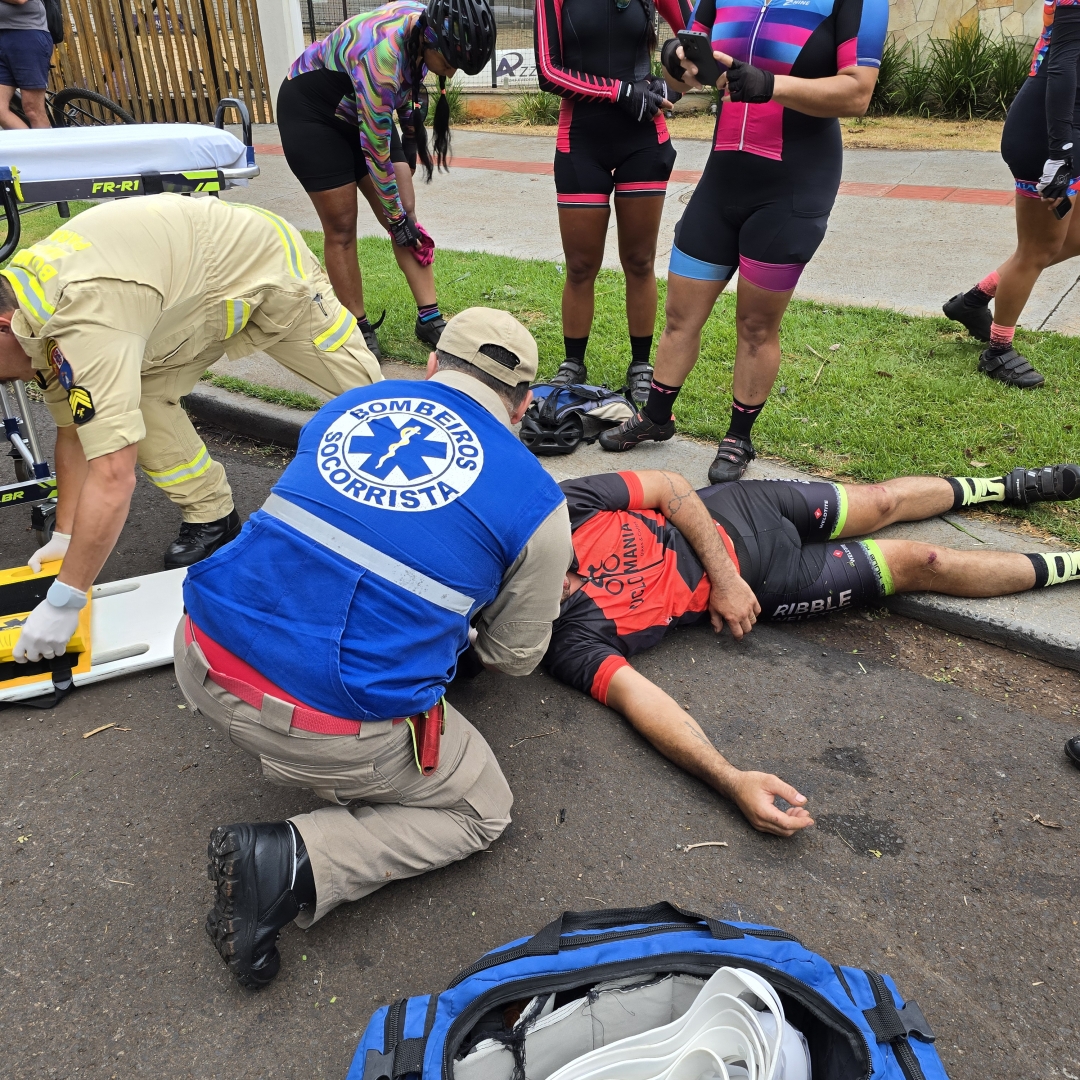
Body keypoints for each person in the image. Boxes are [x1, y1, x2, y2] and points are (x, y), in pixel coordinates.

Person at [175, 308, 573, 988]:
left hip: (198, 653)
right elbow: (513, 657)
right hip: (325, 723)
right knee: (482, 811)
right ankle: (293, 861)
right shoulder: (537, 500)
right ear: (525, 404)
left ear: (432, 367)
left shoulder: (350, 408)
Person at [544, 463, 1080, 835]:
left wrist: (723, 577)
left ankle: (1004, 487)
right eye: (549, 591)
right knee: (925, 562)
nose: (567, 583)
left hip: (738, 511)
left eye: (559, 568)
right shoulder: (566, 641)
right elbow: (642, 702)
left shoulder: (562, 507)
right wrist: (731, 780)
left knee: (881, 501)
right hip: (775, 581)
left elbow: (667, 484)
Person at [0, 195, 381, 650]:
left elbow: (113, 473)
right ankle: (213, 518)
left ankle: (436, 502)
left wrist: (66, 599)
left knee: (371, 403)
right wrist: (65, 534)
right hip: (180, 302)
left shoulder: (87, 315)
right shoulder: (31, 307)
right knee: (138, 405)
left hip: (260, 262)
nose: (7, 384)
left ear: (3, 326)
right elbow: (73, 431)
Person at [598, 0, 888, 483]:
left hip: (793, 185)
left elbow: (857, 93)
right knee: (680, 314)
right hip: (723, 179)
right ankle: (657, 416)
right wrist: (676, 60)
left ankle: (738, 436)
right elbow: (688, 57)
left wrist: (771, 86)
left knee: (755, 326)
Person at [278, 0, 495, 360]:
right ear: (429, 38)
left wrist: (401, 206)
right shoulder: (381, 58)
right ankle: (356, 326)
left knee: (407, 214)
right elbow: (375, 150)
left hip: (360, 105)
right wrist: (393, 218)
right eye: (451, 62)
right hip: (312, 113)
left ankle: (429, 317)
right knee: (343, 224)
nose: (452, 72)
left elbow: (404, 99)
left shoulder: (423, 21)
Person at [535, 0, 689, 406]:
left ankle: (641, 365)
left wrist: (669, 86)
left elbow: (700, 37)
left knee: (639, 261)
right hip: (581, 142)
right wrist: (620, 91)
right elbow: (548, 72)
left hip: (643, 140)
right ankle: (573, 363)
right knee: (581, 265)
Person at [942, 0, 1080, 389]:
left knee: (1074, 239)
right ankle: (998, 350)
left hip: (1067, 128)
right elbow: (1063, 65)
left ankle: (972, 301)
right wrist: (1059, 153)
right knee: (1036, 250)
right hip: (1048, 134)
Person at [0, 0, 51, 130]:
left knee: (32, 109)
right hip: (3, 38)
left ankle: (45, 150)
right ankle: (29, 149)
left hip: (27, 35)